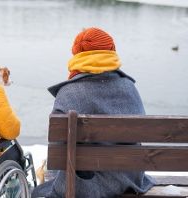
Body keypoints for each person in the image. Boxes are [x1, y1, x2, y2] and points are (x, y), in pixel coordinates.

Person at [31, 27, 155, 198]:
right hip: (128, 181)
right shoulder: (130, 88)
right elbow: (137, 138)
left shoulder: (67, 93)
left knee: (43, 183)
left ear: (77, 55)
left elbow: (59, 150)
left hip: (82, 187)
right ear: (111, 51)